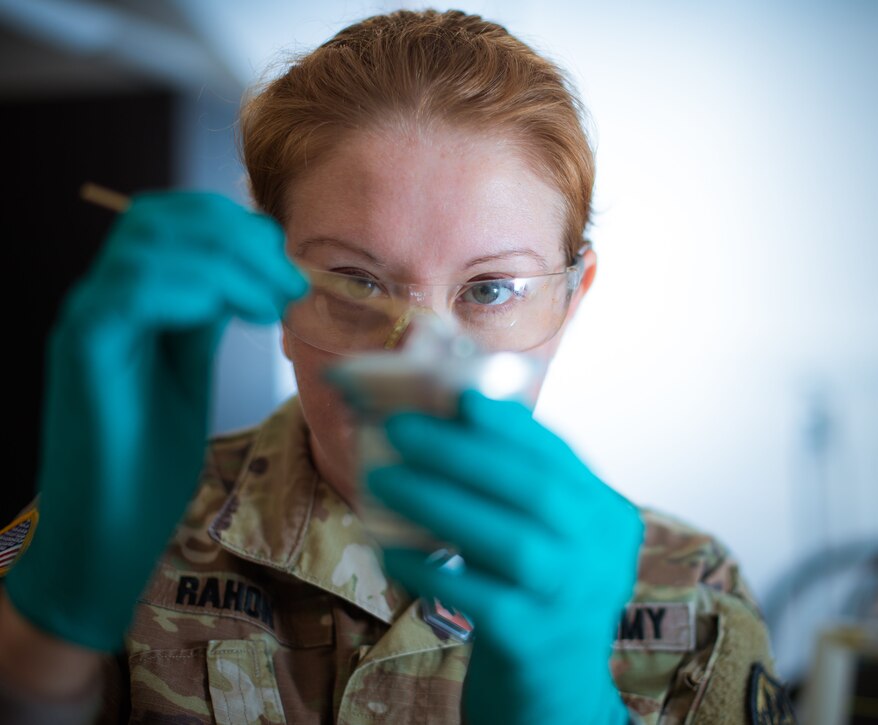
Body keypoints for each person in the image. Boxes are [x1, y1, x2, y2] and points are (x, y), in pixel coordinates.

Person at [0, 9, 792, 724]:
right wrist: (45, 650)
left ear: (568, 300)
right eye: (356, 283)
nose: (419, 354)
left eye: (491, 289)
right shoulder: (101, 535)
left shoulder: (691, 593)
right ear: (274, 289)